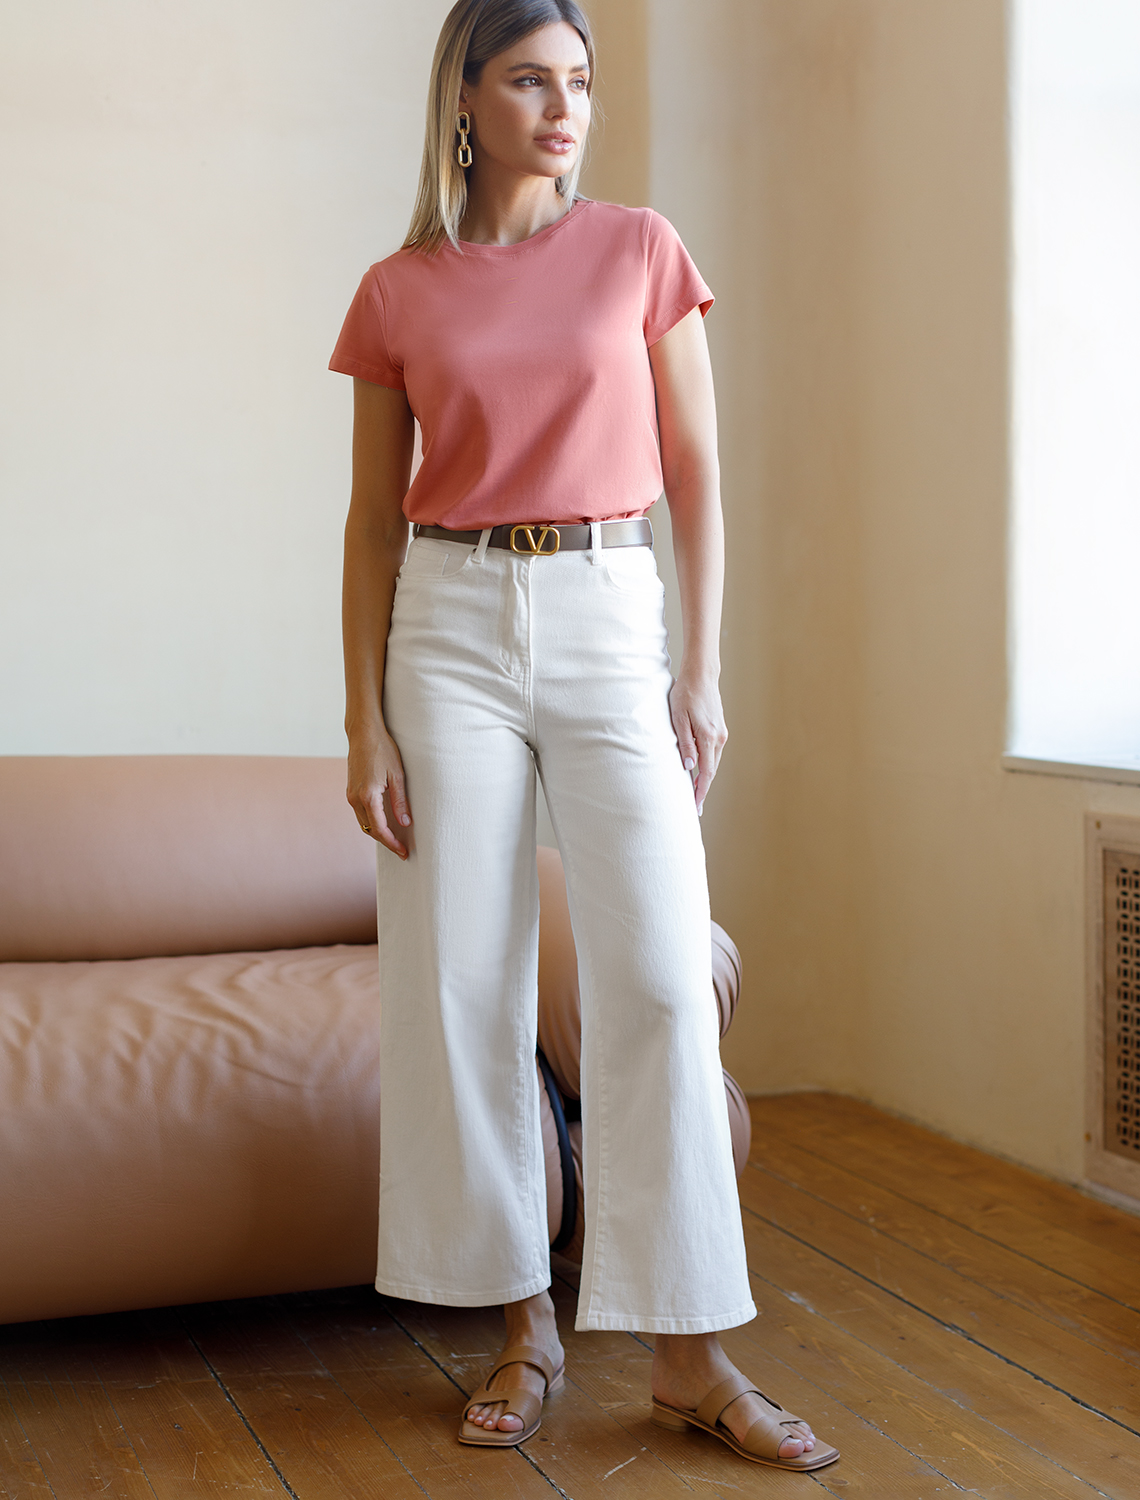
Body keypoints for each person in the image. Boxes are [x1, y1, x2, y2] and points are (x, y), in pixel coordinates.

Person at [332, 0, 838, 1473]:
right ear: (465, 99)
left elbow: (699, 473)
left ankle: (689, 1353)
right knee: (460, 983)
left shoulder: (640, 251)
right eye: (530, 81)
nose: (564, 110)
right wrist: (361, 717)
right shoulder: (398, 289)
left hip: (614, 608)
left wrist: (704, 669)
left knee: (666, 981)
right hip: (447, 625)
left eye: (581, 82)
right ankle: (521, 1327)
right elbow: (370, 522)